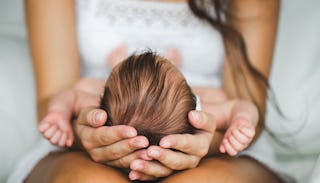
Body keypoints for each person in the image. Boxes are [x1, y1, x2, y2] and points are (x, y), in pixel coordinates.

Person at [15, 0, 281, 182]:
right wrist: (74, 132)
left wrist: (216, 141)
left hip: (209, 144)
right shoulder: (206, 105)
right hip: (86, 143)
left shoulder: (92, 94)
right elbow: (238, 108)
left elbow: (67, 98)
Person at [40, 52, 258, 156]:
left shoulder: (101, 109)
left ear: (102, 100)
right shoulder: (197, 113)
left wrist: (59, 113)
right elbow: (240, 105)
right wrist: (242, 121)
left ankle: (115, 62)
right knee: (220, 96)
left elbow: (71, 96)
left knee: (84, 84)